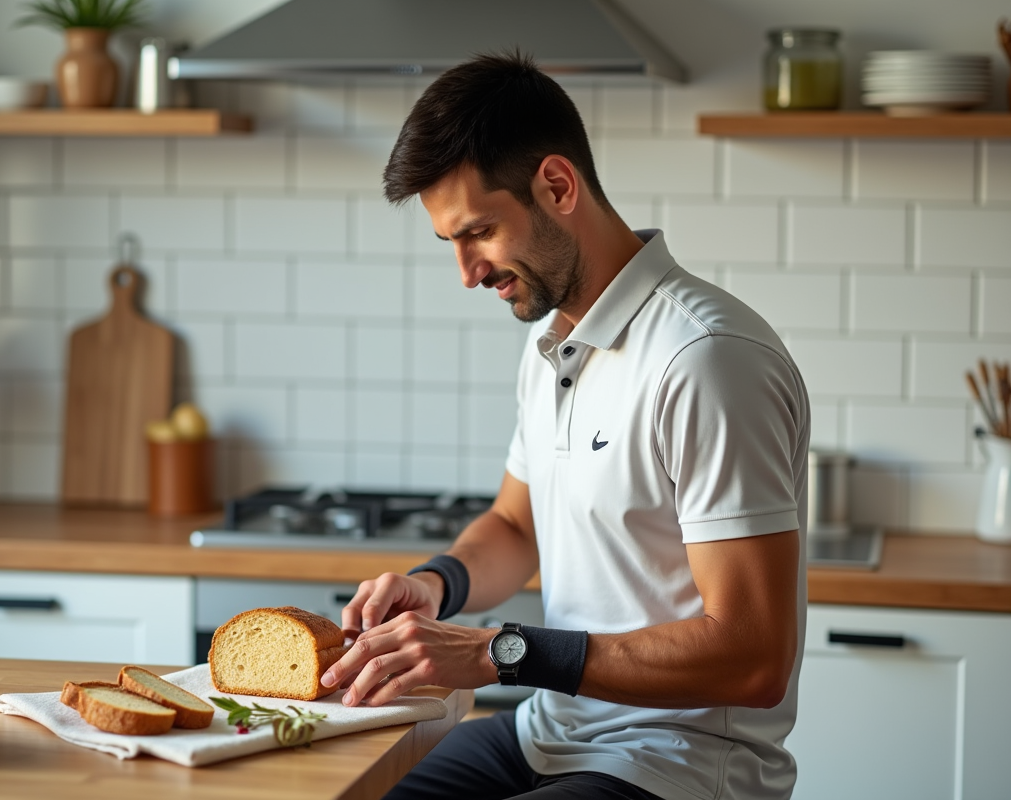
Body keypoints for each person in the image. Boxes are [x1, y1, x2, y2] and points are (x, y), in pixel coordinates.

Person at [319, 51, 809, 800]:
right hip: (550, 731)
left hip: (678, 761)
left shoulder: (705, 359)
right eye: (452, 243)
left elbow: (753, 658)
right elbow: (515, 526)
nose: (467, 273)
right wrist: (434, 586)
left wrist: (499, 651)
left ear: (556, 185)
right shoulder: (553, 344)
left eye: (479, 232)